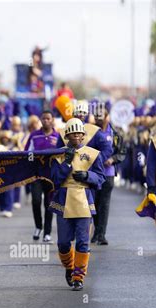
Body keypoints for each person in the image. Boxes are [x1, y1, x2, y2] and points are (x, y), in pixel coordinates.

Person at [49, 118, 105, 291]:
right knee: (64, 243)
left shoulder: (93, 154)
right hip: (63, 201)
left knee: (83, 241)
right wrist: (66, 163)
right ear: (67, 136)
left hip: (84, 201)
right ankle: (69, 266)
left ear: (83, 135)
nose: (75, 136)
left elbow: (101, 179)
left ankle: (79, 277)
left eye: (79, 133)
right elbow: (55, 180)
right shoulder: (58, 155)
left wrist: (88, 177)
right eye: (72, 133)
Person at [24, 110, 59, 242]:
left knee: (49, 204)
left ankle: (47, 233)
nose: (46, 121)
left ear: (52, 120)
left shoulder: (58, 136)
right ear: (40, 120)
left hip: (51, 176)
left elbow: (61, 155)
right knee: (36, 201)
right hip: (37, 175)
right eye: (43, 118)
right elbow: (27, 153)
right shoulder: (34, 136)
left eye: (48, 118)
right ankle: (38, 226)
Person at [91, 106, 115, 245]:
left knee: (104, 205)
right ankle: (96, 232)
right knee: (95, 203)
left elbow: (121, 151)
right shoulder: (90, 132)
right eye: (97, 116)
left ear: (107, 117)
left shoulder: (114, 133)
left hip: (108, 173)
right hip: (93, 173)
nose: (99, 118)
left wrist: (113, 159)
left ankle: (101, 234)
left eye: (102, 116)